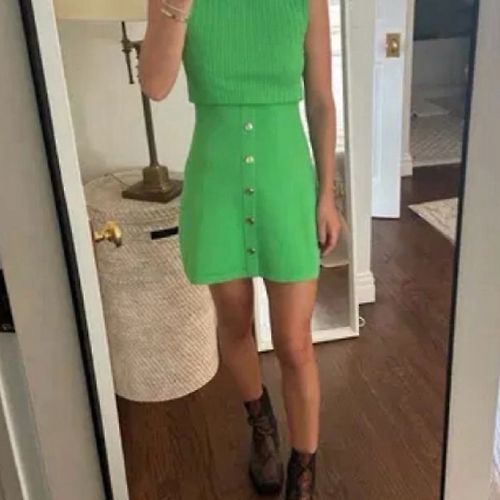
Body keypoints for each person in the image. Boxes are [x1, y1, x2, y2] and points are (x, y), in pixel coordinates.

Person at [139, 0, 340, 497]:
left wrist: (326, 196)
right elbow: (155, 85)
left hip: (286, 187)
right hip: (217, 188)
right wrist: (176, 9)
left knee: (294, 341)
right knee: (234, 325)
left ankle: (304, 468)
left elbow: (321, 101)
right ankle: (261, 423)